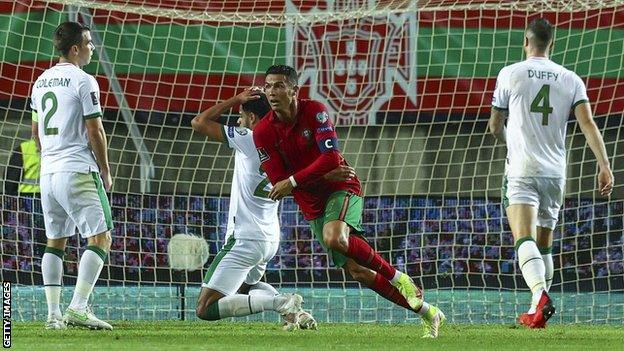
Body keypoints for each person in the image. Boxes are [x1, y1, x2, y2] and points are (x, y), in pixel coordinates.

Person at [253, 65, 446, 338]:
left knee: (335, 237)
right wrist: (310, 175)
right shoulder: (263, 132)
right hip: (312, 202)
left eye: (279, 85)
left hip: (340, 185)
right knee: (359, 272)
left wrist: (298, 180)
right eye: (268, 86)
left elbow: (330, 159)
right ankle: (429, 313)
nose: (272, 92)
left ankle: (398, 277)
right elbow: (278, 182)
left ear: (294, 90)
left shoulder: (315, 110)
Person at [489, 18, 614, 328]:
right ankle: (536, 310)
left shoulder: (510, 73)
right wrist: (604, 165)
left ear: (525, 42)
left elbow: (494, 126)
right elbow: (587, 124)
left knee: (523, 238)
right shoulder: (570, 79)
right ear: (552, 45)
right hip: (556, 172)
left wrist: (510, 140)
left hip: (522, 168)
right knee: (545, 244)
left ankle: (539, 295)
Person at [192, 88, 323, 330]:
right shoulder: (286, 142)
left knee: (205, 308)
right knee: (246, 287)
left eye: (240, 114)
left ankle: (282, 303)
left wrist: (236, 98)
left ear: (252, 117)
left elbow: (199, 122)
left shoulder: (248, 137)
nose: (238, 120)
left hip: (245, 237)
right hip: (269, 239)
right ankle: (298, 314)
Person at [30, 21, 114, 330]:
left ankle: (54, 316)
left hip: (48, 173)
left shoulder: (40, 82)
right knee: (101, 236)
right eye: (89, 43)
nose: (93, 48)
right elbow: (95, 130)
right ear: (75, 48)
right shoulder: (84, 80)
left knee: (55, 242)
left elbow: (35, 133)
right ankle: (78, 307)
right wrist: (105, 169)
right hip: (77, 168)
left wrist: (49, 157)